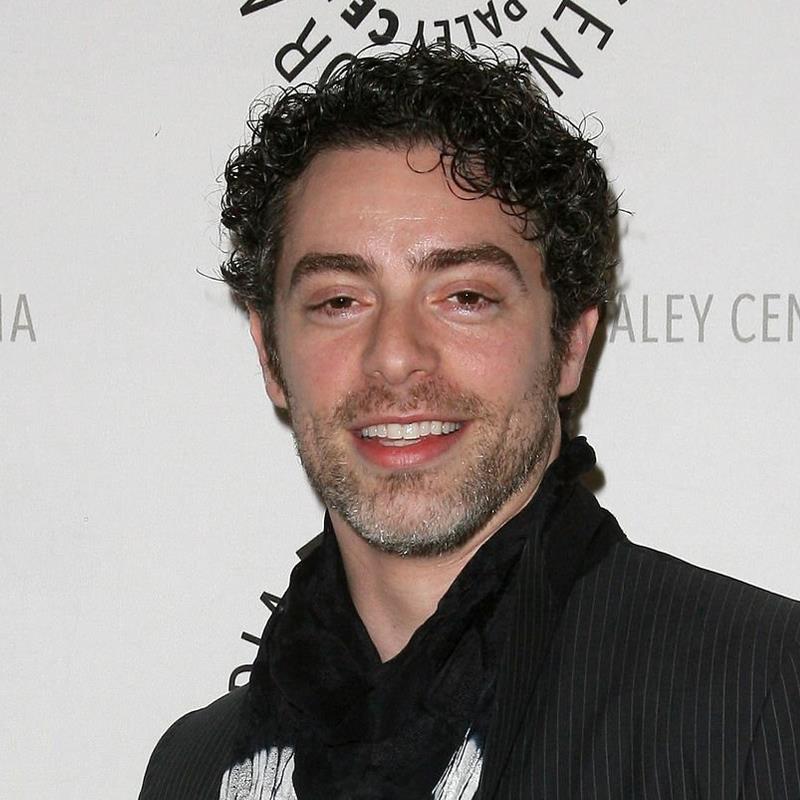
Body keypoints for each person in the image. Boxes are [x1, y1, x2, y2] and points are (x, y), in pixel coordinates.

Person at [139, 44, 800, 799]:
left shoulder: (763, 693)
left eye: (465, 297)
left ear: (569, 345)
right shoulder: (194, 768)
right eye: (339, 301)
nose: (395, 357)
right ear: (270, 356)